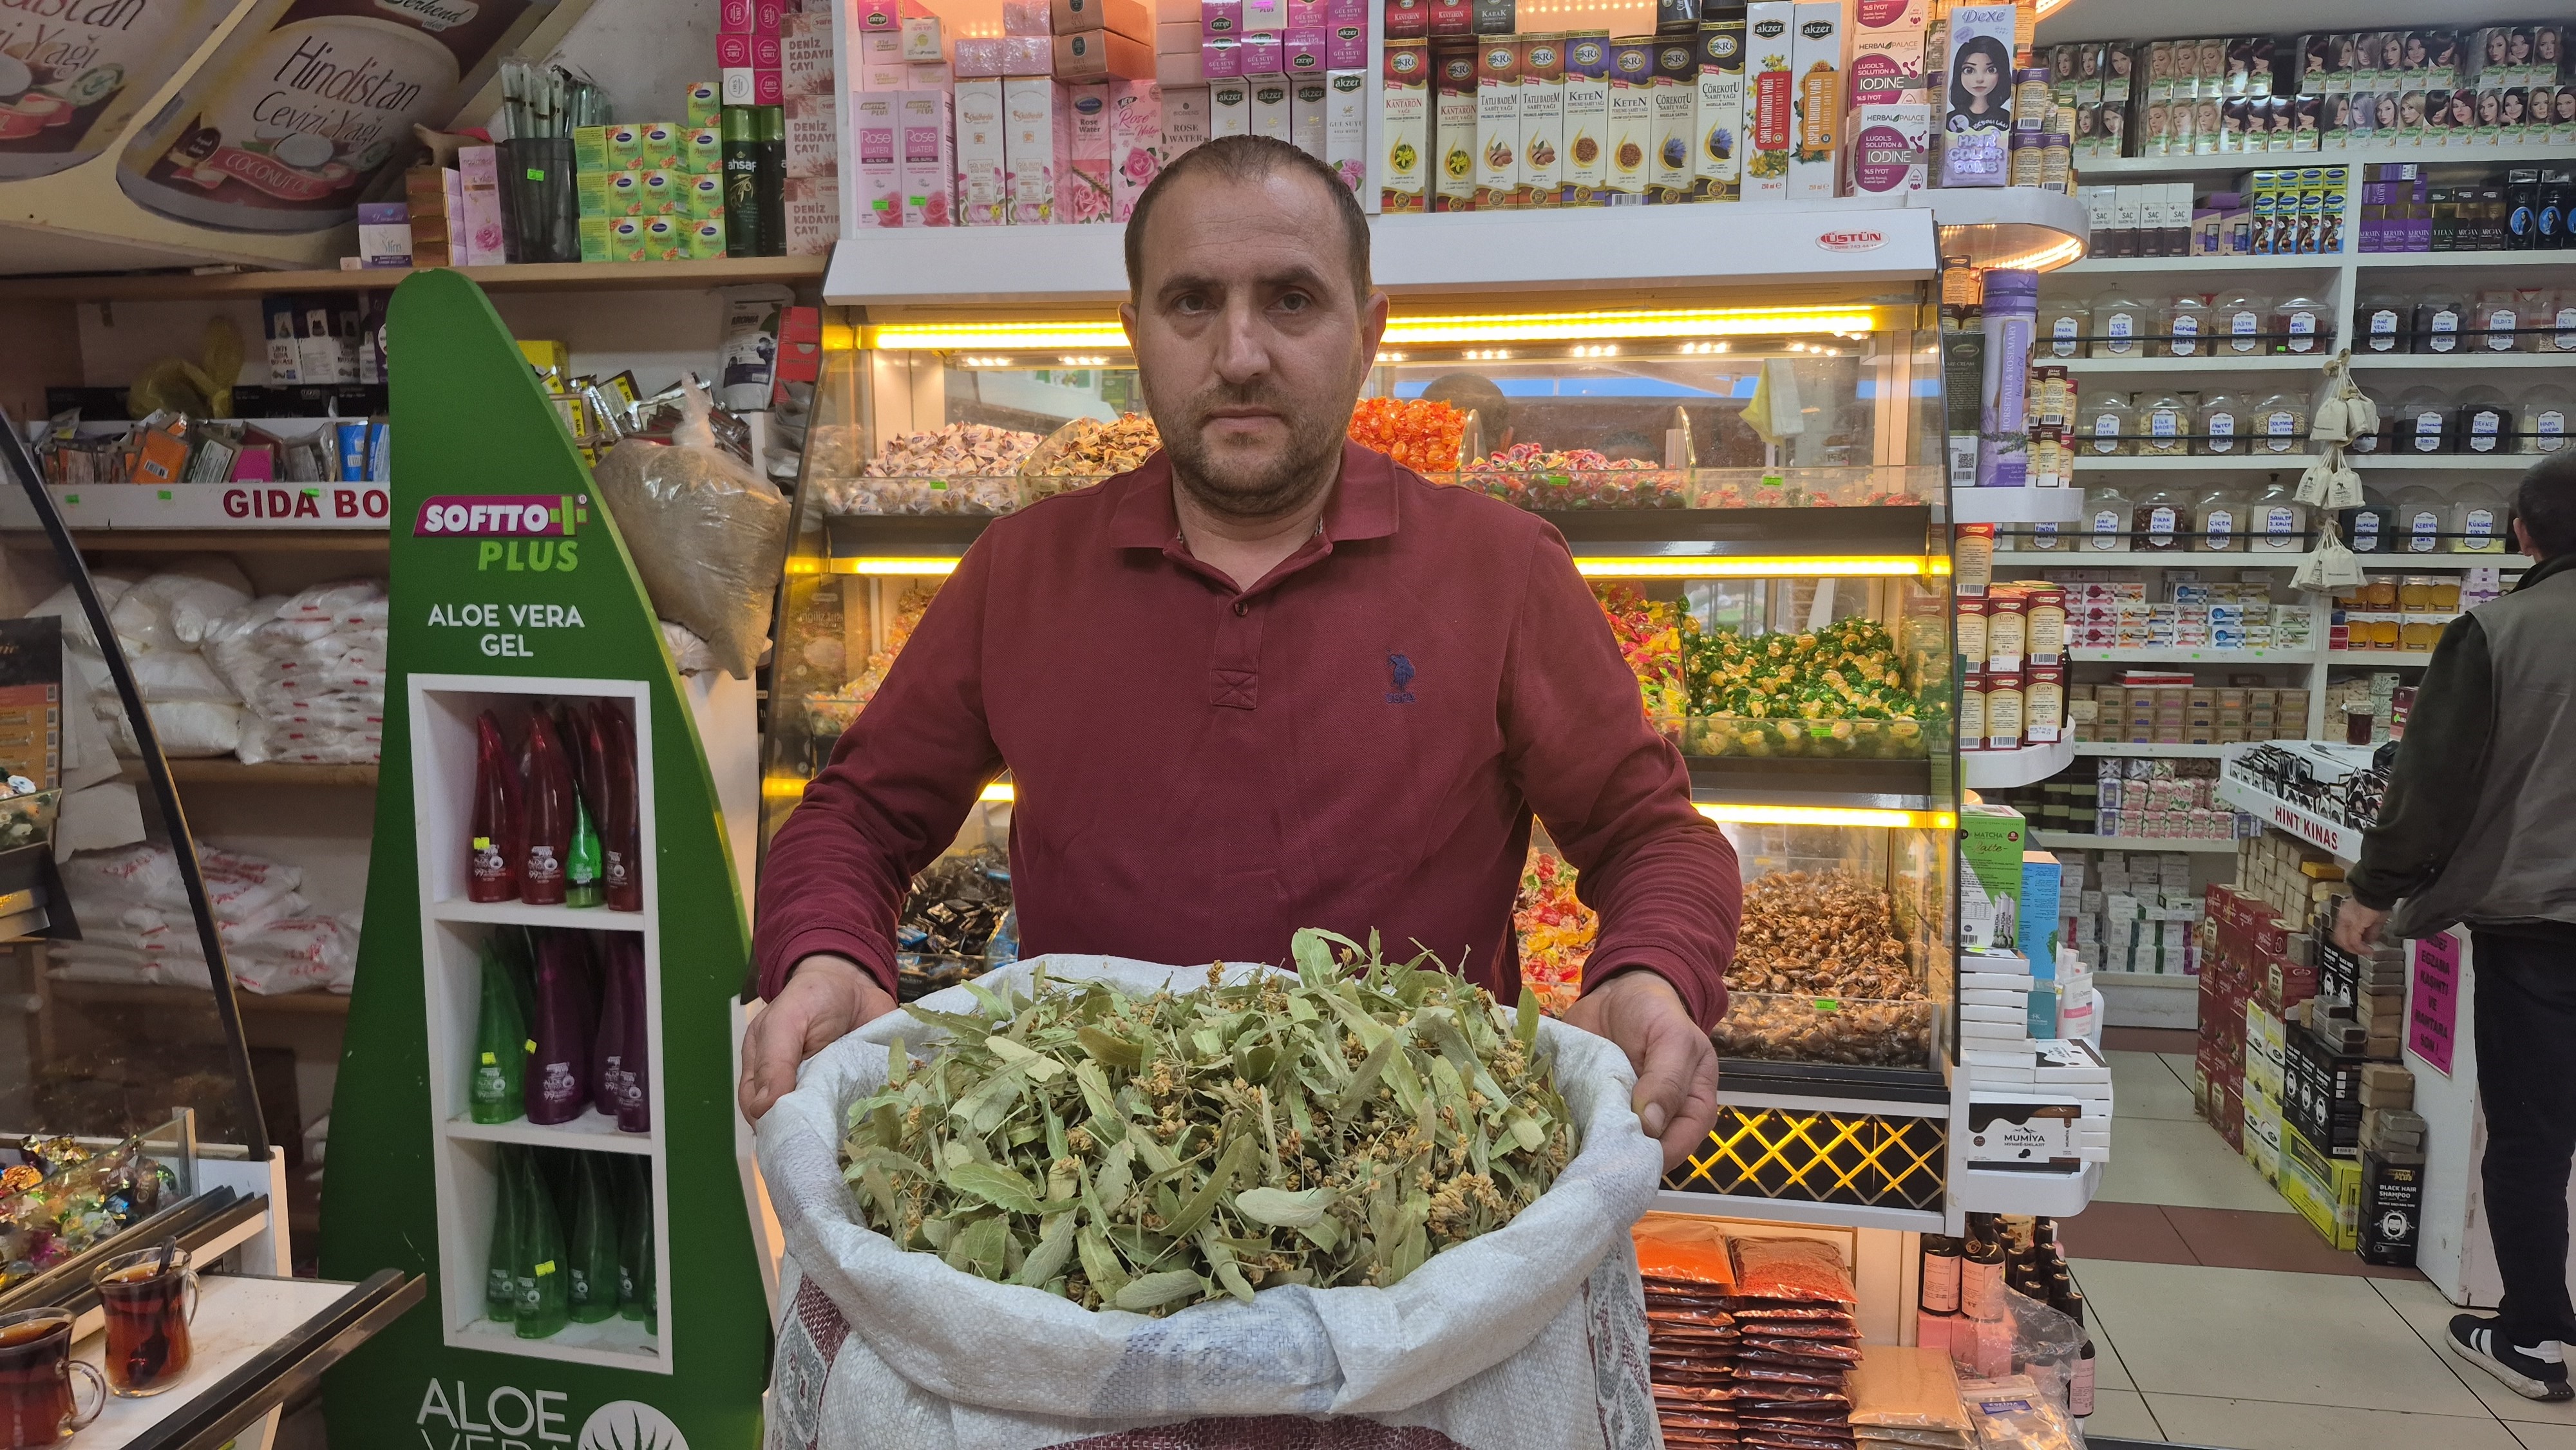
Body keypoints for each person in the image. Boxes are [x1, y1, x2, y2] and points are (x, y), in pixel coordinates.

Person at [739, 136, 1738, 1172]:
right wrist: (826, 954)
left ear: (1368, 333)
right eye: (1192, 303)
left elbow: (1651, 838)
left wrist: (1650, 973)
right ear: (1135, 333)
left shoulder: (1502, 569)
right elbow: (858, 817)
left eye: (1293, 300)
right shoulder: (1020, 568)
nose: (1242, 355)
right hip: (1092, 1184)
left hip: (1423, 1186)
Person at [2334, 453, 2576, 1401]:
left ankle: (2533, 1338)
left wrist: (2374, 890)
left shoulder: (2498, 631)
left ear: (2523, 532)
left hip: (2540, 924)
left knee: (2531, 1136)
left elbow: (2429, 783)